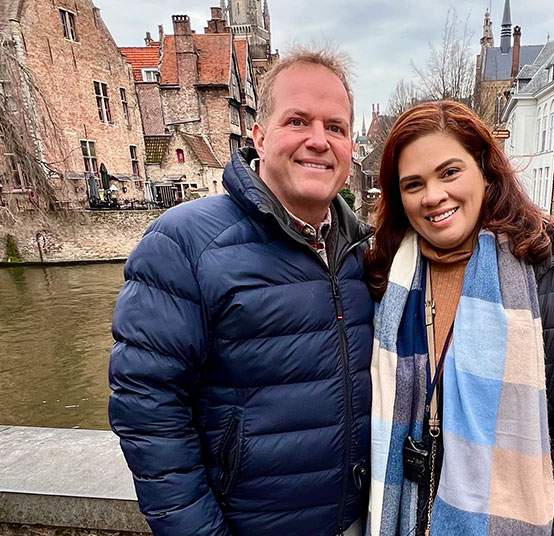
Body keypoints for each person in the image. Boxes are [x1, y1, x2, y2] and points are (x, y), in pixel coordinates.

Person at [108, 48, 372, 535]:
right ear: (259, 135)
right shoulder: (183, 243)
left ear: (351, 145)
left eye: (334, 127)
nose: (318, 141)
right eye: (298, 120)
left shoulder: (359, 250)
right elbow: (147, 412)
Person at [364, 101, 554, 536]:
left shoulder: (548, 264)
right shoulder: (386, 272)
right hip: (408, 513)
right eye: (413, 184)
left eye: (449, 172)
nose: (433, 196)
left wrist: (543, 486)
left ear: (485, 171)